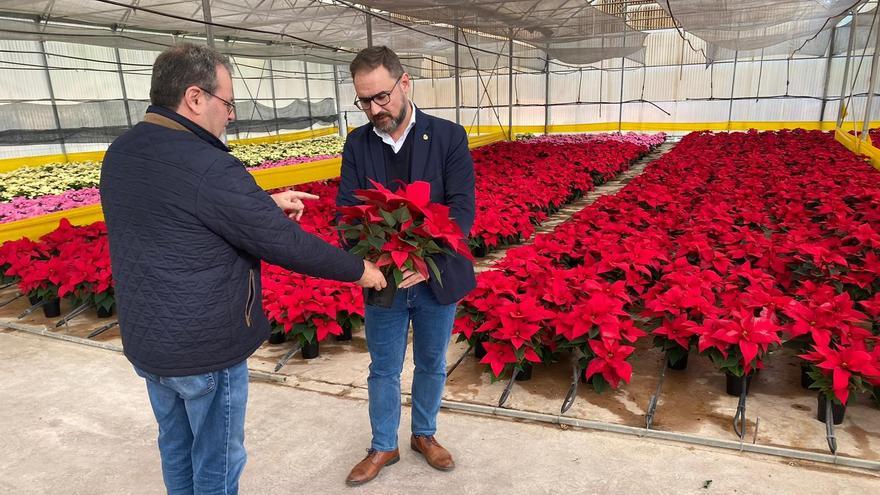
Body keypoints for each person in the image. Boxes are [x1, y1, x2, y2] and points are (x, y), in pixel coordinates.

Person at [99, 43, 386, 495]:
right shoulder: (206, 163)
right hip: (204, 348)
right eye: (226, 103)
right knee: (217, 460)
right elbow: (283, 242)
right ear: (195, 98)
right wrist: (360, 270)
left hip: (149, 342)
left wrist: (262, 203)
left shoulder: (123, 151)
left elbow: (174, 213)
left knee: (175, 447)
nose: (229, 116)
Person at [336, 46, 476, 486]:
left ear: (405, 83)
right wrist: (376, 258)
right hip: (383, 278)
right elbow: (347, 211)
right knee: (383, 366)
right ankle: (383, 445)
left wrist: (426, 258)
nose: (374, 109)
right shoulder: (358, 142)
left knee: (433, 362)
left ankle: (424, 435)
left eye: (381, 97)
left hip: (435, 276)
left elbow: (461, 208)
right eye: (364, 101)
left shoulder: (449, 136)